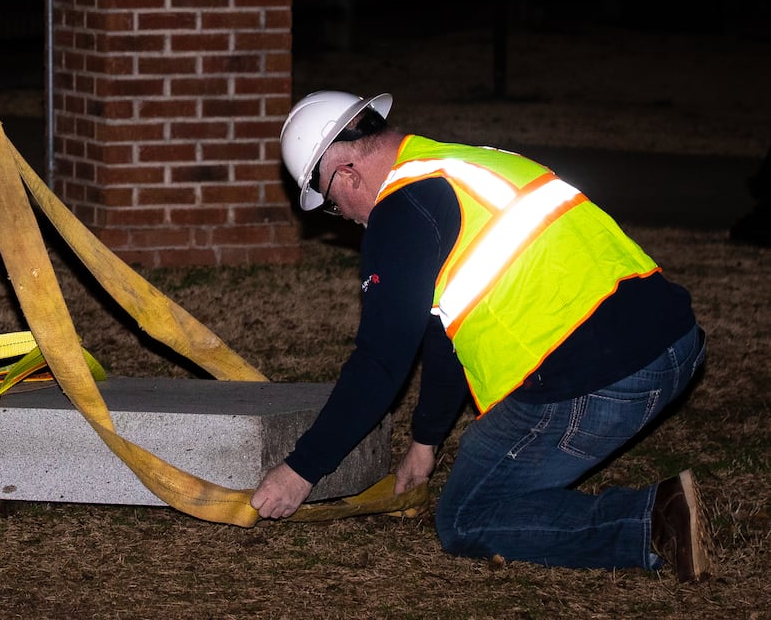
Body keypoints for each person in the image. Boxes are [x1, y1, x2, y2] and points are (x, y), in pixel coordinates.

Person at [250, 91, 710, 581]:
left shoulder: (402, 211)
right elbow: (444, 333)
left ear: (346, 174)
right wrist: (425, 442)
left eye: (335, 207)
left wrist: (300, 471)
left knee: (467, 516)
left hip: (601, 378)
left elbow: (379, 362)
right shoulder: (465, 164)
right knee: (486, 468)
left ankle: (651, 523)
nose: (349, 219)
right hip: (675, 343)